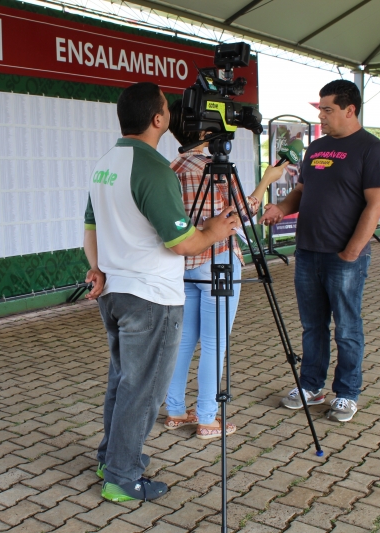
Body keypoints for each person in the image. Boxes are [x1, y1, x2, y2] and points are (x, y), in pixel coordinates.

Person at [83, 82, 241, 502]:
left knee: (123, 382)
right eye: (167, 110)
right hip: (151, 297)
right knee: (144, 390)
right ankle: (122, 478)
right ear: (157, 119)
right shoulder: (153, 168)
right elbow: (182, 243)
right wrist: (215, 230)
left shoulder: (105, 163)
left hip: (115, 292)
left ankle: (111, 458)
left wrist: (97, 268)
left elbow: (90, 228)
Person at [260, 80, 380, 423]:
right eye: (320, 109)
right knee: (312, 326)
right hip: (307, 252)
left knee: (346, 328)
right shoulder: (316, 147)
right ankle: (311, 386)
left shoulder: (372, 149)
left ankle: (347, 393)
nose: (321, 116)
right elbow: (300, 192)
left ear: (350, 110)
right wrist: (280, 209)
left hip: (344, 256)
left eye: (328, 110)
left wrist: (352, 251)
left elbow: (376, 204)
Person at [164, 99, 288, 439]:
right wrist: (267, 180)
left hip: (186, 265)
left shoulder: (173, 167)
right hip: (217, 260)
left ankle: (175, 410)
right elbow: (239, 216)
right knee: (214, 343)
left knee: (184, 341)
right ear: (205, 132)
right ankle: (207, 417)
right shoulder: (210, 168)